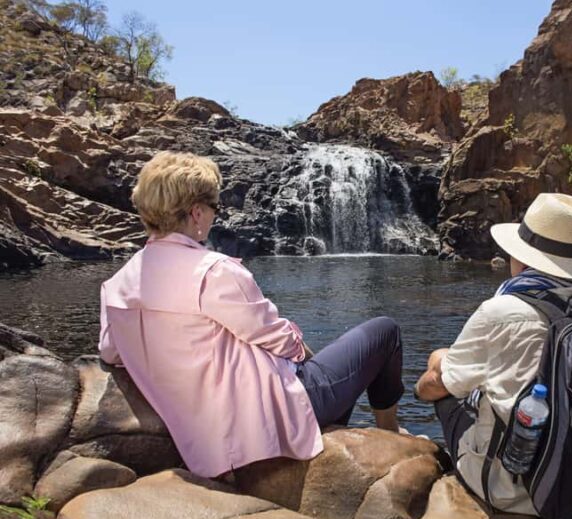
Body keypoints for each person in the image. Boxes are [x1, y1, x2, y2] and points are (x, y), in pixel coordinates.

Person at [98, 151, 404, 480]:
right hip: (262, 420)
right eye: (214, 207)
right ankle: (392, 434)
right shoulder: (214, 271)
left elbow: (110, 352)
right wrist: (302, 350)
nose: (216, 216)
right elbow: (276, 338)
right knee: (384, 331)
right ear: (197, 213)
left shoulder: (117, 285)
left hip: (197, 434)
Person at [414, 193, 572, 514]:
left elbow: (439, 384)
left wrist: (422, 384)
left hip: (516, 491)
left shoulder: (503, 310)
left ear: (520, 258)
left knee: (445, 384)